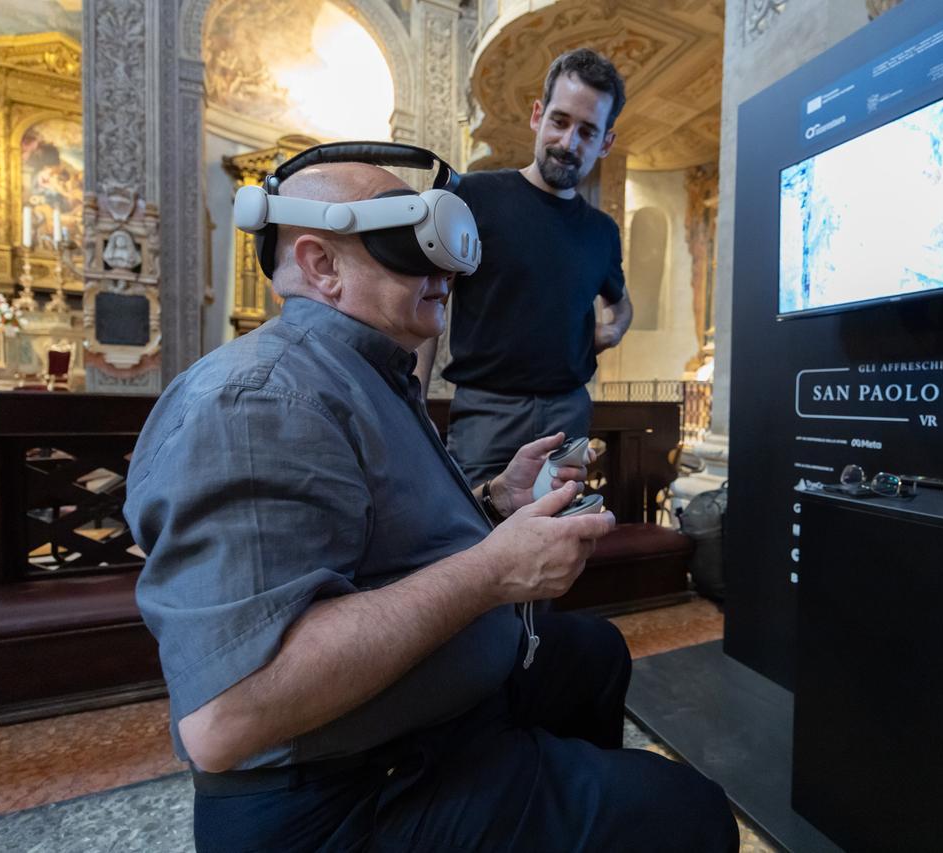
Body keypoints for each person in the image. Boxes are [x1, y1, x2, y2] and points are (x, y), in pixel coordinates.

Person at [125, 159, 737, 852]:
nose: (445, 270)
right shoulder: (259, 400)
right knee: (691, 813)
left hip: (416, 722)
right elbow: (232, 711)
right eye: (409, 242)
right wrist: (491, 574)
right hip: (344, 798)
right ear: (321, 263)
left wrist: (493, 500)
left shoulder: (368, 371)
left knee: (592, 654)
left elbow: (377, 536)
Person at [419, 48, 634, 488]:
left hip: (570, 411)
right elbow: (426, 299)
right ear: (538, 116)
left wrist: (613, 331)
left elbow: (622, 305)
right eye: (560, 121)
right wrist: (414, 406)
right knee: (480, 540)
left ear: (605, 143)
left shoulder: (602, 231)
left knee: (560, 544)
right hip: (487, 415)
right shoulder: (474, 196)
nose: (569, 143)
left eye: (588, 132)